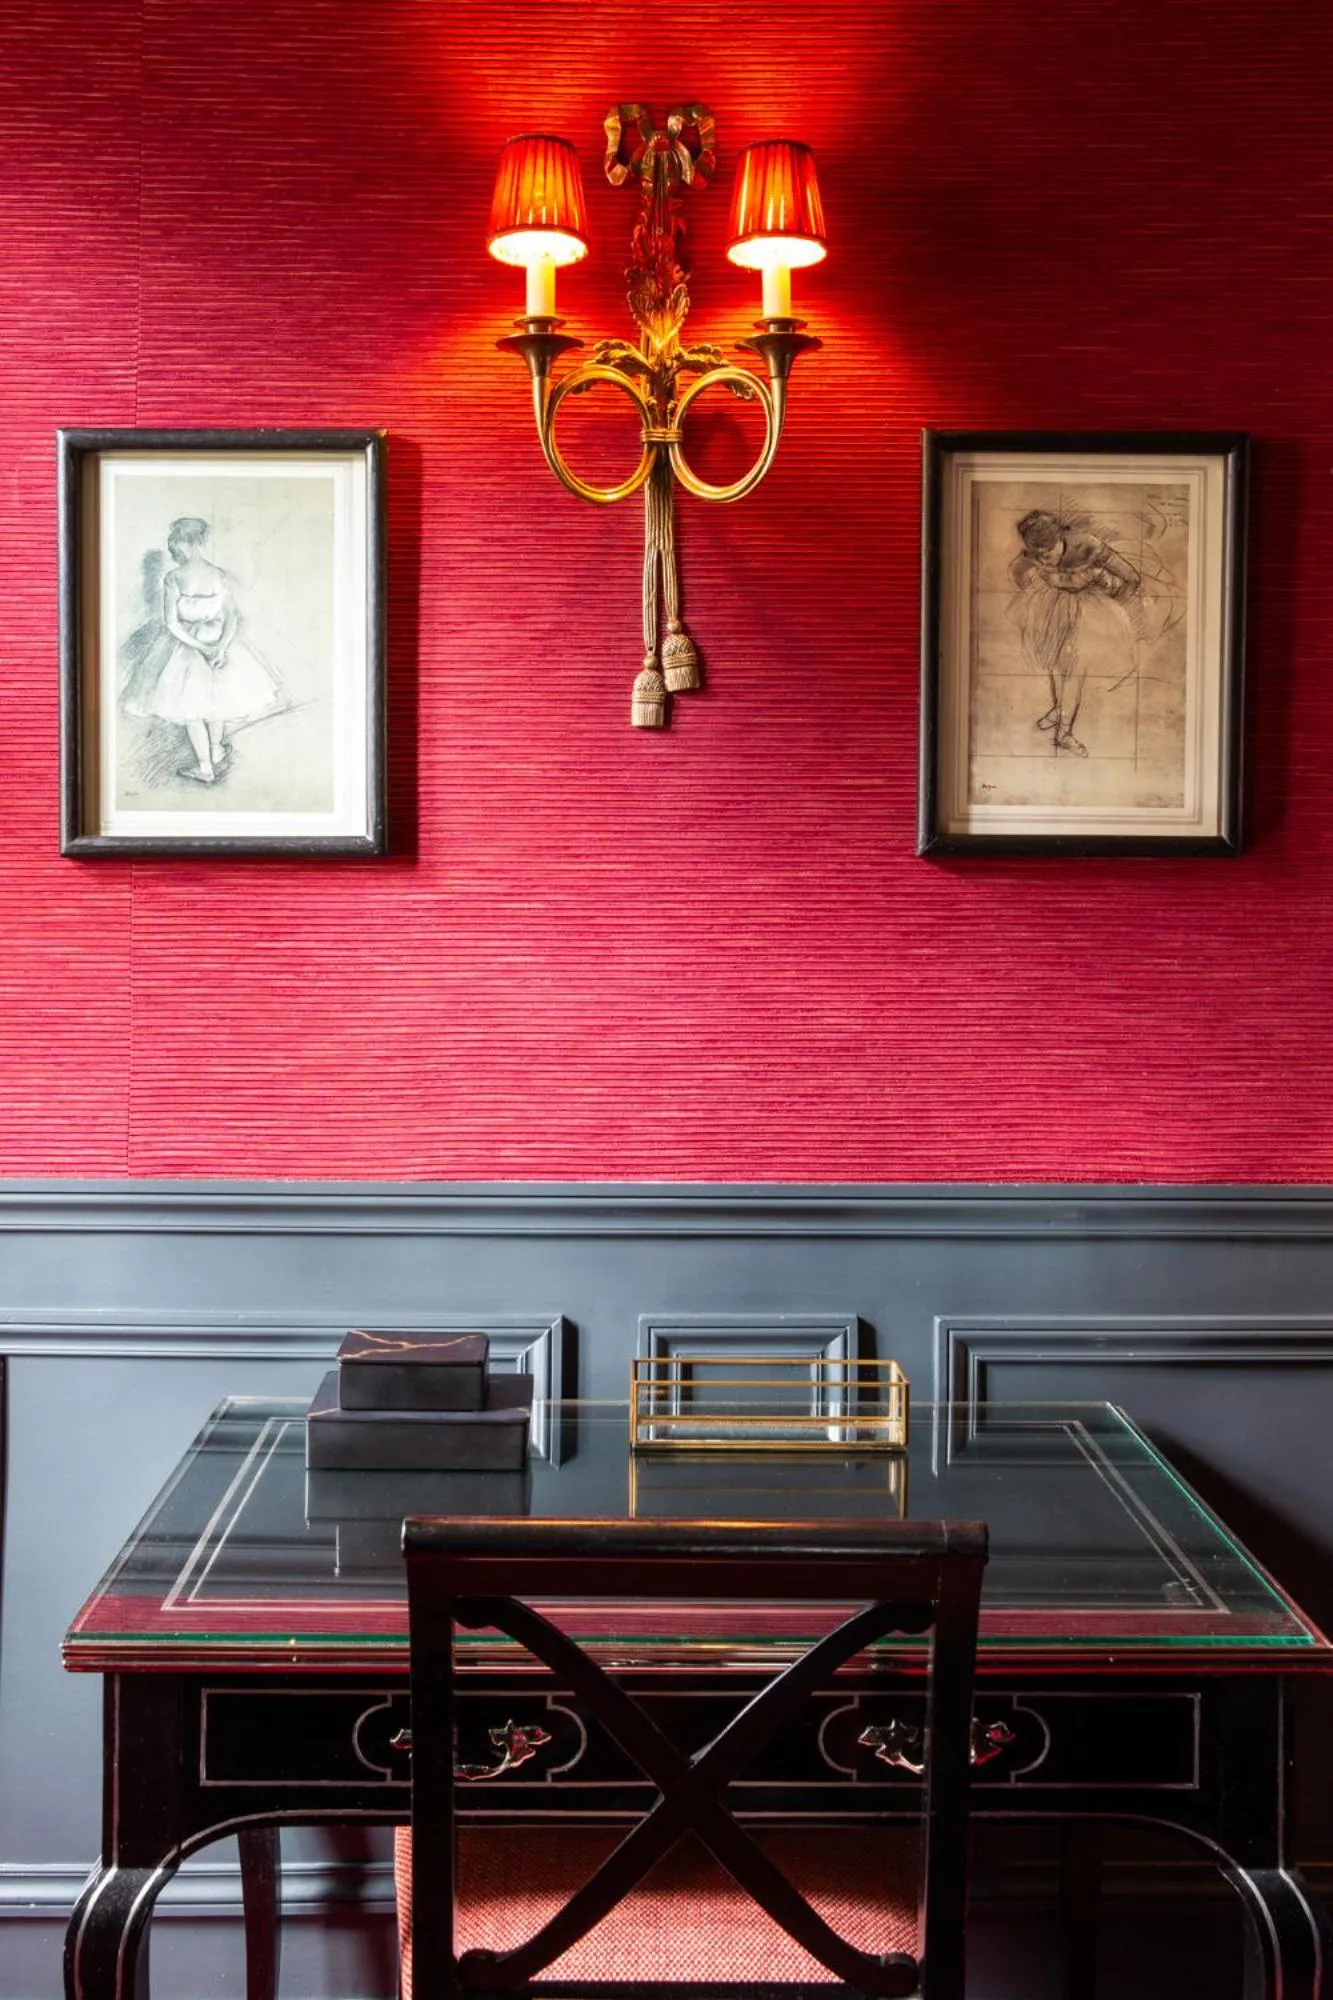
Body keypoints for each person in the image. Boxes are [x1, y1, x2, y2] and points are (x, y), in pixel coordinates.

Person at [122, 516, 283, 784]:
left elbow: (172, 624)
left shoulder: (174, 578)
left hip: (189, 644)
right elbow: (232, 617)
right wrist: (219, 647)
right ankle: (216, 750)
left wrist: (206, 649)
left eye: (175, 543)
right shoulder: (219, 575)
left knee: (193, 709)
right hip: (216, 640)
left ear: (182, 543)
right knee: (214, 700)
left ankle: (206, 766)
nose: (173, 549)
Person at [1008, 509, 1147, 759]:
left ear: (1060, 540)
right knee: (1055, 663)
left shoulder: (1087, 545)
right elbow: (1017, 570)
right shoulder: (1034, 553)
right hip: (1053, 609)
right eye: (1039, 556)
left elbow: (1130, 576)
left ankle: (1063, 734)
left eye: (1048, 553)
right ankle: (1059, 708)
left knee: (1072, 671)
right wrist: (1034, 586)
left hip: (1086, 612)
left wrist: (1115, 596)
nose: (1045, 560)